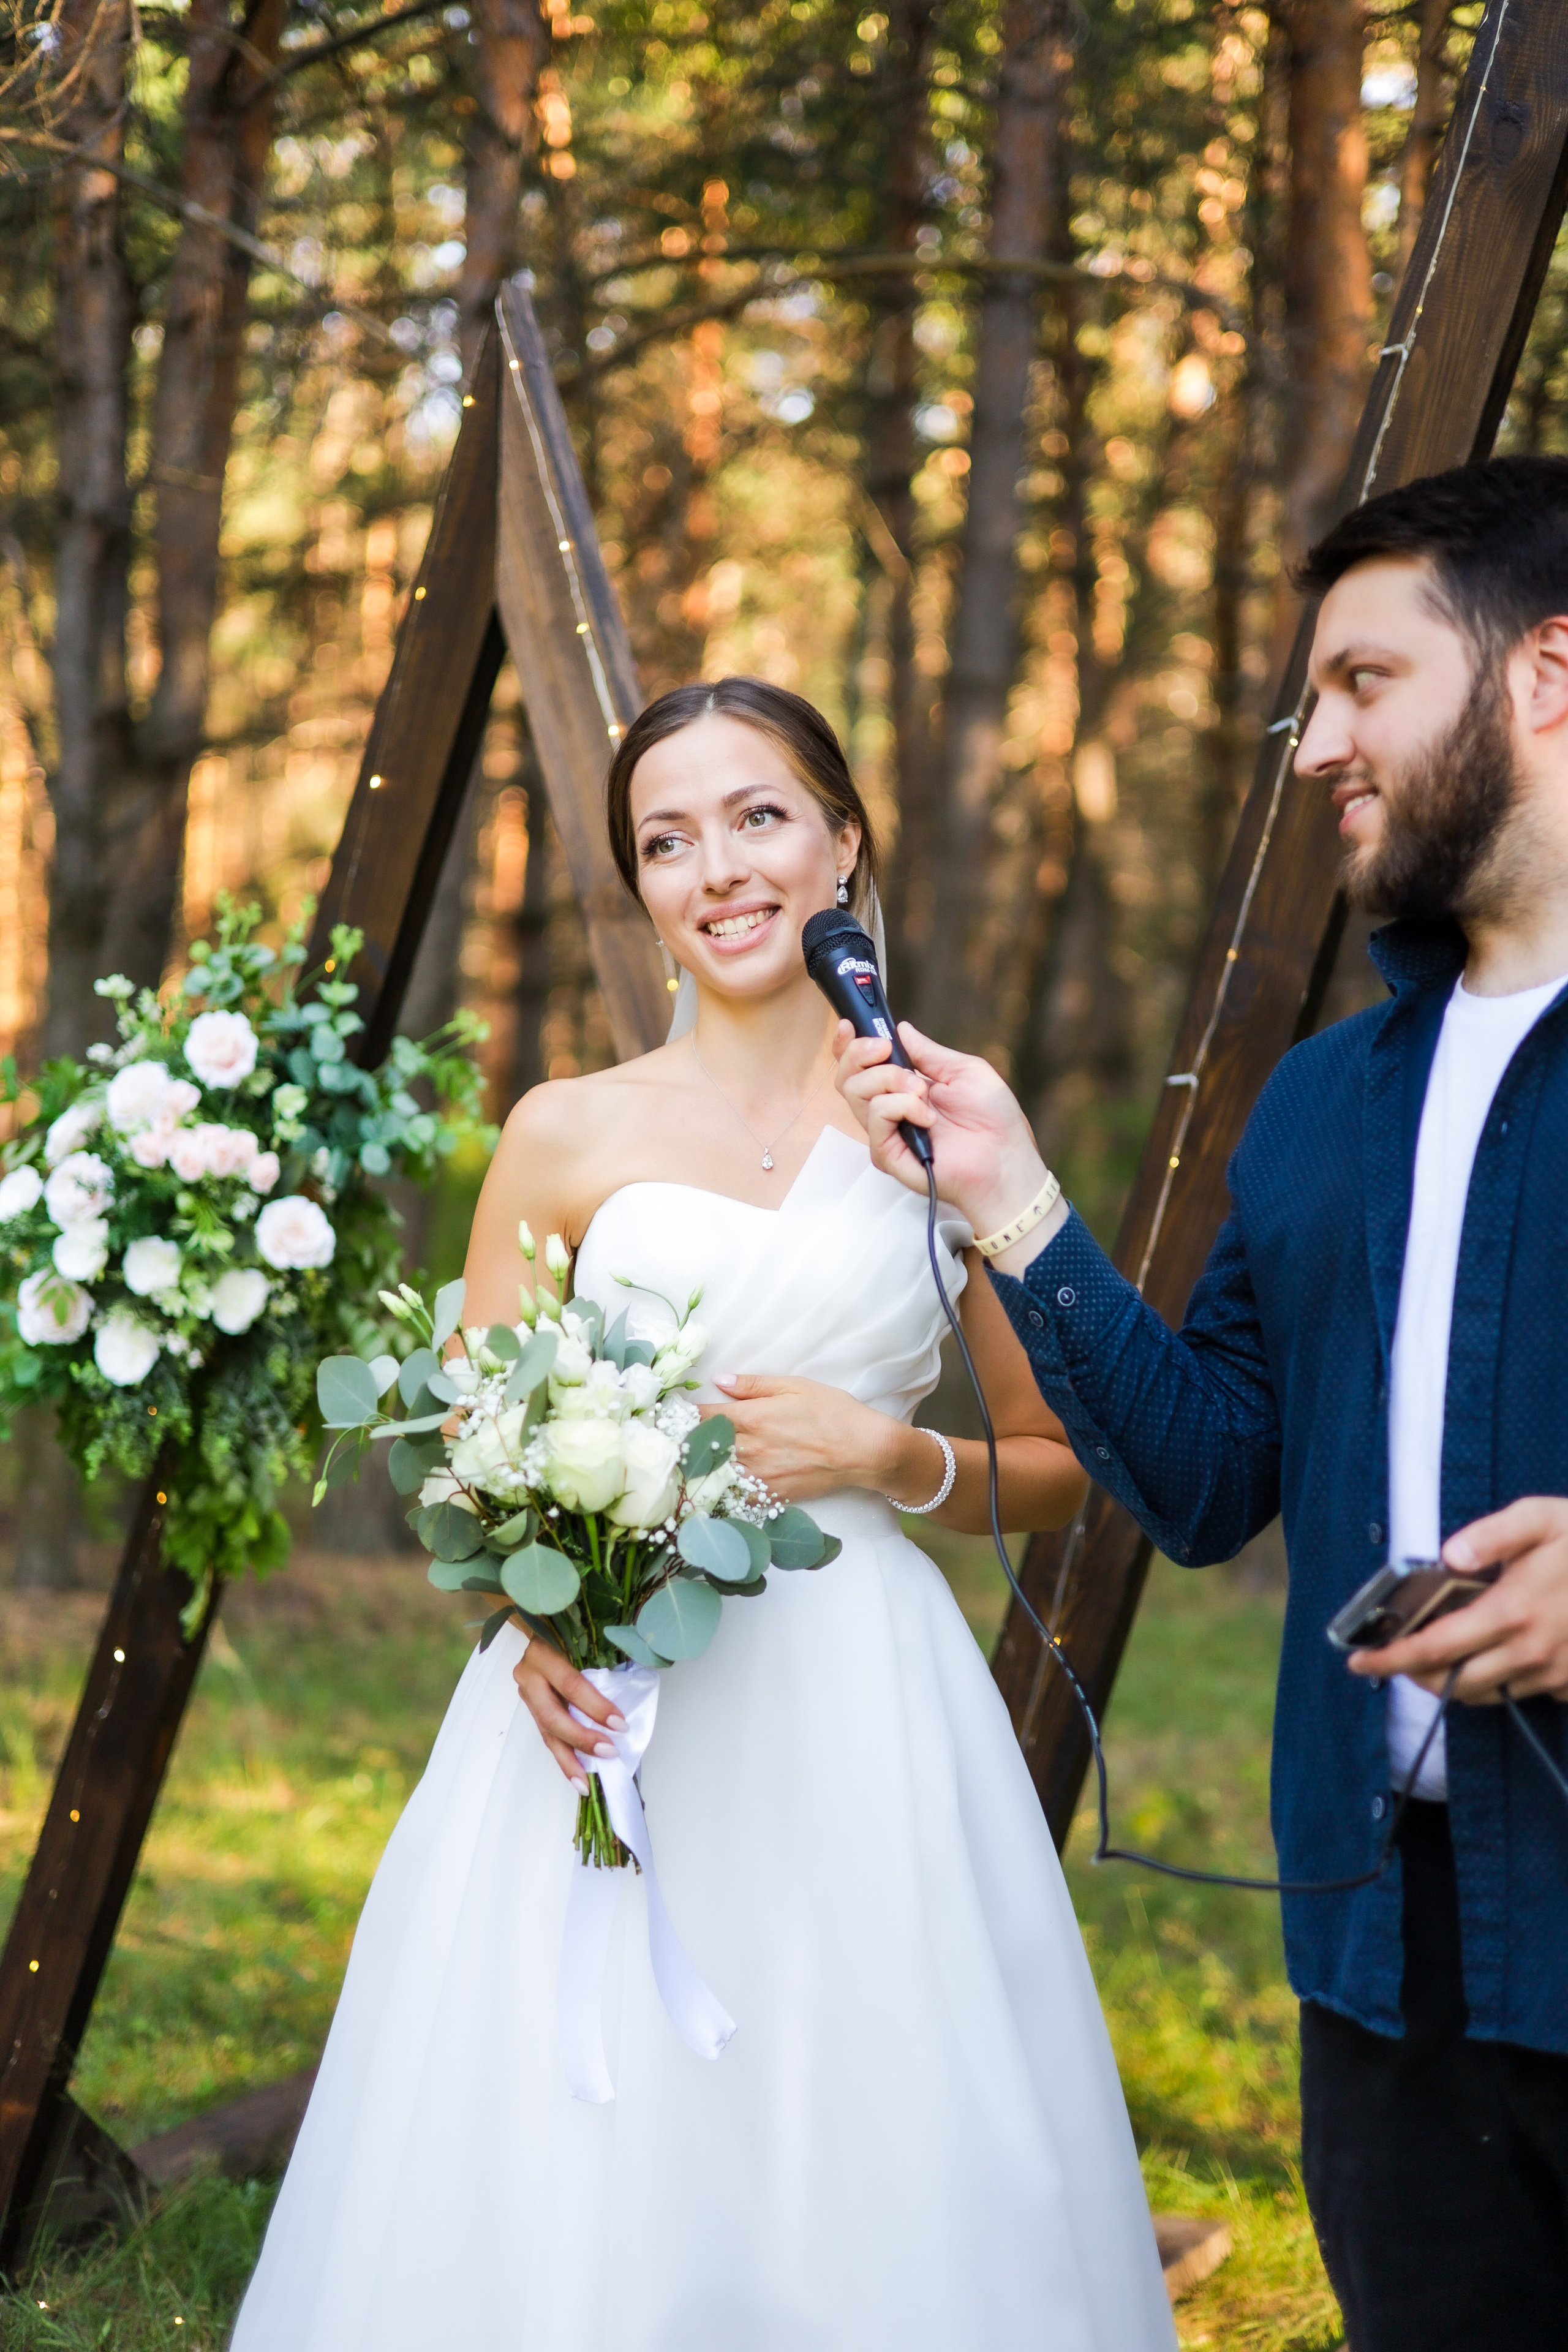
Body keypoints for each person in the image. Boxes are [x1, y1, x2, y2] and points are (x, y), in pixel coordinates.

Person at [232, 676, 1177, 2352]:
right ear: (643, 890)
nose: (718, 869)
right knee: (575, 2110)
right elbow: (468, 1437)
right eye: (669, 840)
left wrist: (898, 1464)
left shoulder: (935, 1111)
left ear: (842, 847)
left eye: (757, 818)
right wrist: (520, 1621)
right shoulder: (567, 1131)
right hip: (610, 1705)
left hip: (863, 1690)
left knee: (863, 2084)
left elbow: (1052, 1463)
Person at [836, 456, 1568, 2352]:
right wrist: (1012, 1202)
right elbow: (1208, 1471)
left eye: (1362, 684)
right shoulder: (1325, 1097)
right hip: (1381, 1949)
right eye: (1306, 696)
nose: (1311, 740)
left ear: (1547, 674)